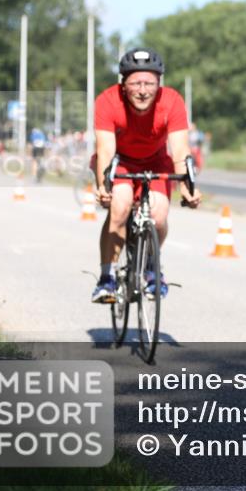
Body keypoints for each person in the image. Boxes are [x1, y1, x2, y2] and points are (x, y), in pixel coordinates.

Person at [90, 48, 202, 304]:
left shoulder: (172, 101)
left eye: (149, 83)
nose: (143, 90)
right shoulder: (107, 101)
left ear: (159, 83)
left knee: (159, 213)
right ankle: (106, 278)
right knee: (119, 208)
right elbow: (105, 149)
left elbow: (180, 149)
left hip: (155, 161)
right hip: (119, 161)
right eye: (136, 83)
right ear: (123, 85)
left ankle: (152, 268)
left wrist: (188, 186)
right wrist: (104, 185)